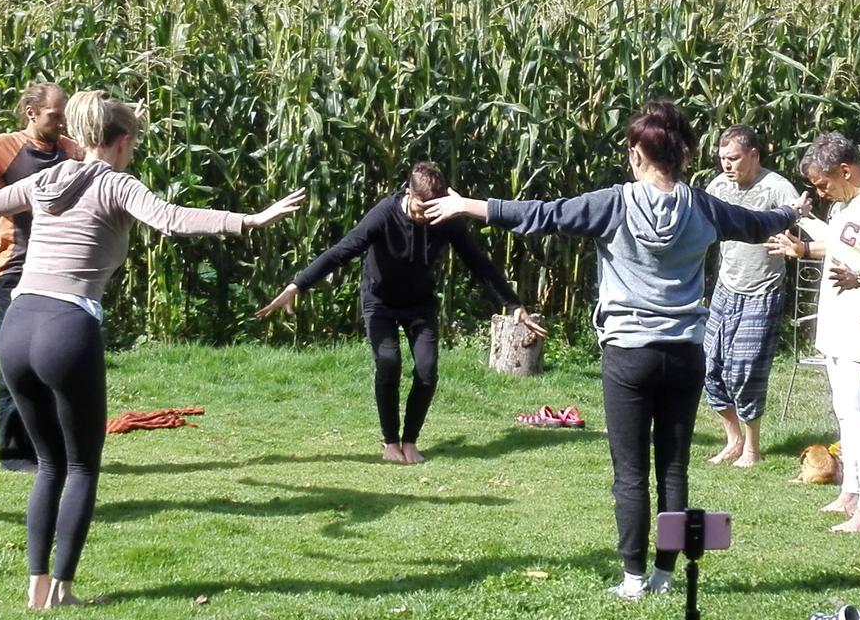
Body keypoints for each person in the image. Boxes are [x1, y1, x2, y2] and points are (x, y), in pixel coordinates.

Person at [424, 99, 809, 599]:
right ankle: (666, 576)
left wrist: (468, 205)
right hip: (686, 352)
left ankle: (632, 578)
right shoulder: (704, 206)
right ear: (686, 156)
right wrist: (791, 210)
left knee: (630, 473)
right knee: (673, 467)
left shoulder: (614, 203)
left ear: (635, 154)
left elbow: (542, 215)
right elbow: (756, 224)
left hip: (629, 354)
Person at [0, 90, 305, 609]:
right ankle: (61, 592)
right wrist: (251, 220)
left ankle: (35, 588)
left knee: (48, 464)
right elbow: (172, 218)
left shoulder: (47, 178)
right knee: (82, 466)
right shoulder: (116, 184)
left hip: (17, 325)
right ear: (123, 142)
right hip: (67, 324)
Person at [257, 161, 545, 465]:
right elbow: (341, 251)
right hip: (379, 302)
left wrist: (513, 304)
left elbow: (479, 263)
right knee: (388, 362)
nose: (430, 214)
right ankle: (390, 443)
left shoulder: (445, 218)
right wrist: (297, 285)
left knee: (426, 370)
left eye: (437, 207)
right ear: (409, 193)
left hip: (419, 304)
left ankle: (410, 442)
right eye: (424, 207)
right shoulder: (384, 214)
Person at [768, 131, 860, 533]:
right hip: (841, 322)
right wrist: (803, 250)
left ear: (845, 170)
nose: (822, 192)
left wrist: (859, 277)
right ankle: (850, 492)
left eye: (823, 184)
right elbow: (845, 245)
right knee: (846, 413)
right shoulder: (852, 201)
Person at [0, 81, 79, 473]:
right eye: (54, 115)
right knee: (14, 363)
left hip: (57, 269)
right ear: (31, 113)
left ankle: (49, 448)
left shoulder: (70, 150)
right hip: (14, 267)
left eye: (64, 116)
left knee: (51, 361)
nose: (60, 123)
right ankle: (15, 452)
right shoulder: (1, 146)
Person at [703, 125, 799, 467]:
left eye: (734, 158)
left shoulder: (776, 188)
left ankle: (753, 449)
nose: (727, 166)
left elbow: (802, 216)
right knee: (709, 366)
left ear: (754, 154)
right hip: (725, 289)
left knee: (745, 370)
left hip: (763, 291)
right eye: (722, 159)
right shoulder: (717, 187)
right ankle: (733, 440)